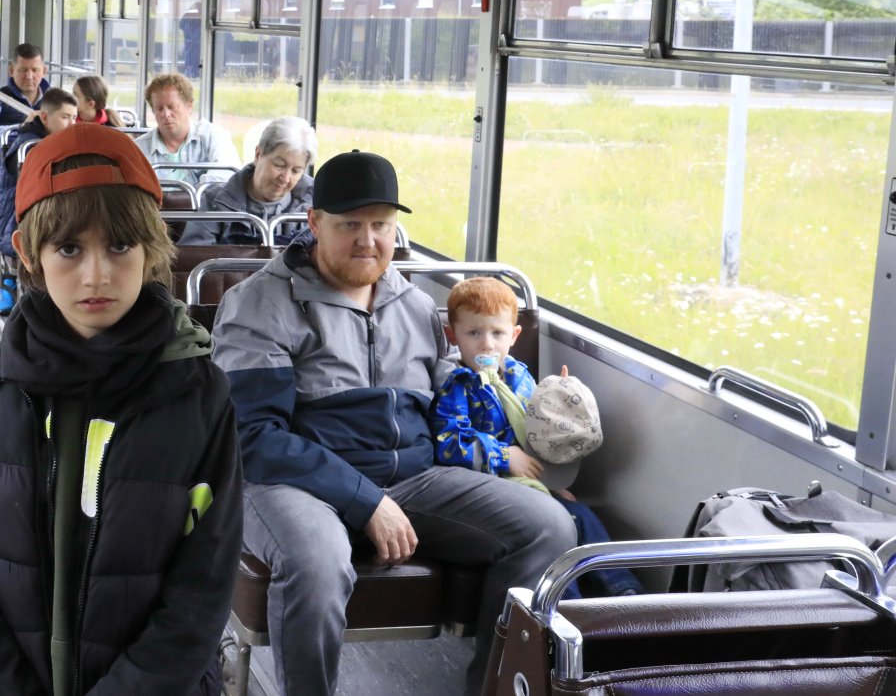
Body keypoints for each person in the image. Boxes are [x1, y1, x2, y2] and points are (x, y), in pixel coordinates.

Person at [211, 151, 575, 696]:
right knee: (315, 562)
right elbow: (253, 436)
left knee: (549, 527)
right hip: (295, 483)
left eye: (380, 225)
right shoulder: (260, 304)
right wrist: (367, 502)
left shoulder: (414, 305)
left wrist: (533, 413)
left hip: (413, 476)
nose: (368, 240)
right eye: (350, 225)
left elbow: (452, 398)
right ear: (314, 222)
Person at [0, 124, 243, 696]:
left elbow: (203, 586)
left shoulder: (197, 395)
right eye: (69, 248)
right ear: (28, 253)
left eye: (120, 246)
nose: (96, 275)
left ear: (151, 248)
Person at [431, 278, 641, 598]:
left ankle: (626, 595)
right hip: (485, 483)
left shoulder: (519, 376)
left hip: (529, 480)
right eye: (474, 333)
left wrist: (559, 400)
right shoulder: (456, 385)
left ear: (514, 335)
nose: (487, 344)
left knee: (583, 517)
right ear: (453, 335)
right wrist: (505, 456)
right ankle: (564, 608)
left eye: (497, 333)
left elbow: (537, 433)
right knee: (560, 525)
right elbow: (449, 444)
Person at [0, 88, 80, 315]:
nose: (72, 124)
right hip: (14, 216)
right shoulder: (26, 144)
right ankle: (10, 285)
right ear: (45, 117)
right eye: (65, 117)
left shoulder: (62, 142)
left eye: (74, 118)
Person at [180, 116, 315, 246]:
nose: (285, 178)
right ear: (258, 154)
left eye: (296, 171)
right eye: (279, 165)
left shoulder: (313, 207)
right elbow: (193, 254)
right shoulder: (215, 201)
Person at [133, 73, 239, 187]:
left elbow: (227, 173)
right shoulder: (138, 148)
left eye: (172, 107)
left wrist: (195, 193)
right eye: (159, 109)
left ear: (189, 106)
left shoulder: (213, 135)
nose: (166, 114)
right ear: (153, 111)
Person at [0, 43, 50, 173]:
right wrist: (21, 127)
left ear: (44, 71)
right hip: (9, 170)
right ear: (11, 71)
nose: (29, 76)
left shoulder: (56, 100)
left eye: (35, 70)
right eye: (23, 70)